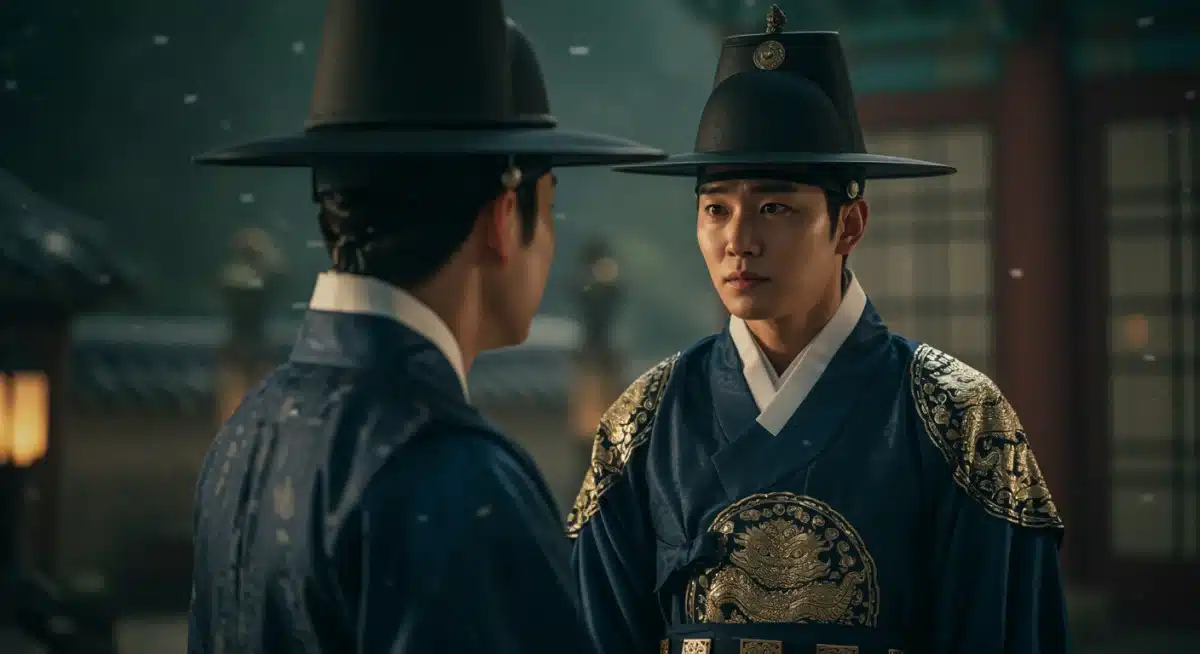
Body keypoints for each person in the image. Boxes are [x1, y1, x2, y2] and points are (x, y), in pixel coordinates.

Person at [568, 6, 1069, 654]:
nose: (738, 241)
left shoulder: (960, 417)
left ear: (850, 225)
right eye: (716, 208)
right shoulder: (643, 422)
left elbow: (1003, 634)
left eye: (775, 207)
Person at [185, 1, 664, 652]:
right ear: (502, 218)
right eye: (547, 208)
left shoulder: (246, 433)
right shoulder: (452, 473)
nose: (549, 243)